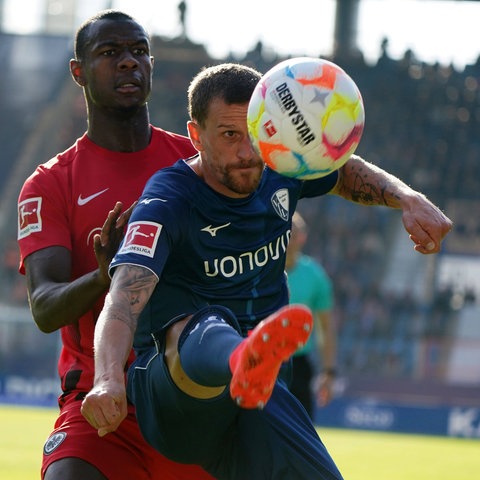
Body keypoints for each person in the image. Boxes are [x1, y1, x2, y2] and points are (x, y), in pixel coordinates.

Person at [80, 63, 452, 480]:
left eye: (255, 133)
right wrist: (108, 378)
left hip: (262, 392)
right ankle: (242, 354)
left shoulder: (281, 165)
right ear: (195, 135)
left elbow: (342, 170)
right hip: (180, 400)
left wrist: (407, 197)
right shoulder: (167, 199)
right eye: (229, 135)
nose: (247, 151)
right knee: (210, 322)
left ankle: (252, 361)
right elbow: (124, 294)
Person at [17, 10, 213, 480]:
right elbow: (44, 309)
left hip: (190, 397)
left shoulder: (195, 166)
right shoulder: (50, 184)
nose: (129, 62)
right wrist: (106, 276)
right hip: (101, 403)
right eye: (110, 53)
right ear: (78, 71)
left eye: (138, 51)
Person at [286, 211, 336, 418]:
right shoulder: (262, 268)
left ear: (302, 238)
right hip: (262, 360)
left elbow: (325, 327)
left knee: (301, 434)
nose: (289, 238)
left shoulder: (315, 275)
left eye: (293, 233)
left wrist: (328, 371)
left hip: (299, 364)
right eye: (285, 232)